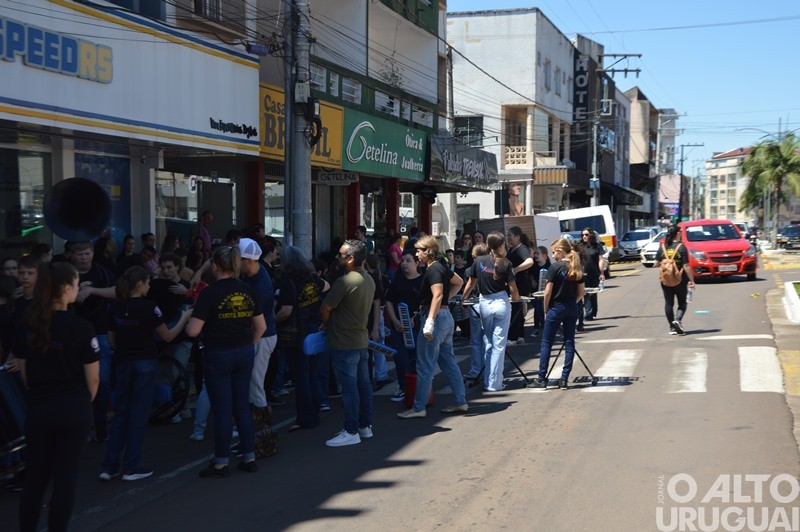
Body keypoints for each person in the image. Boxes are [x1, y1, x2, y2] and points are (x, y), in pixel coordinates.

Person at [16, 262, 100, 532]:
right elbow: (94, 380)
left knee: (36, 479)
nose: (78, 289)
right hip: (73, 407)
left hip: (39, 407)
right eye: (76, 284)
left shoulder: (29, 323)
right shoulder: (81, 327)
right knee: (65, 479)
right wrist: (80, 403)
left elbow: (25, 375)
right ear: (66, 289)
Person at [99, 266, 192, 482]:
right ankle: (131, 466)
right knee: (139, 414)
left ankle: (110, 465)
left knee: (122, 413)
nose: (150, 285)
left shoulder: (116, 308)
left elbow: (112, 340)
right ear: (140, 284)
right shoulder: (150, 308)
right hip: (145, 362)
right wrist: (184, 317)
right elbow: (167, 336)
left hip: (123, 362)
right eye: (148, 282)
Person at [186, 246, 266, 477]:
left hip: (218, 354)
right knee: (242, 406)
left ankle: (221, 463)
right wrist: (248, 345)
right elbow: (260, 327)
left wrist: (186, 317)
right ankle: (249, 456)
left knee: (222, 410)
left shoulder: (209, 293)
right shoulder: (247, 290)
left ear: (215, 266)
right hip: (243, 352)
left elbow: (193, 330)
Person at [397, 236, 467, 418]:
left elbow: (437, 295)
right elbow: (458, 283)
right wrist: (444, 303)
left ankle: (418, 407)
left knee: (425, 366)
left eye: (419, 251)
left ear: (427, 252)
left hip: (435, 319)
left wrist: (430, 320)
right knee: (449, 362)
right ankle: (460, 401)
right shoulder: (441, 266)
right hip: (444, 318)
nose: (417, 254)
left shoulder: (434, 268)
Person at [319, 239, 375, 447]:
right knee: (364, 385)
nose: (337, 257)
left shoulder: (345, 282)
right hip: (360, 340)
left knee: (350, 388)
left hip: (344, 342)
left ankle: (351, 430)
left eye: (341, 255)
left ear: (351, 259)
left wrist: (325, 324)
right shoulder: (368, 279)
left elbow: (325, 308)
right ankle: (364, 426)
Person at [275, 245, 328, 431]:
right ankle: (314, 412)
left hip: (297, 334)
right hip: (313, 330)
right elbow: (326, 286)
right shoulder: (311, 278)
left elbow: (285, 311)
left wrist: (272, 320)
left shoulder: (288, 283)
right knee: (312, 373)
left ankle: (305, 417)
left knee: (301, 377)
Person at [462, 232, 519, 392]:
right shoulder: (506, 263)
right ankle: (494, 383)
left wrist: (463, 300)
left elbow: (470, 283)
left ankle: (489, 380)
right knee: (499, 345)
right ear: (500, 246)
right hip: (500, 301)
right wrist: (518, 299)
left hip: (484, 302)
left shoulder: (479, 260)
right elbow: (514, 291)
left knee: (488, 343)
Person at [71, 240, 117, 442]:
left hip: (98, 333)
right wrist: (76, 291)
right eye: (79, 254)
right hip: (71, 334)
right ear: (72, 255)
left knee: (102, 381)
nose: (83, 257)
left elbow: (117, 291)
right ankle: (83, 425)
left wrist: (91, 290)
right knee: (76, 382)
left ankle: (100, 424)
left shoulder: (101, 272)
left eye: (87, 253)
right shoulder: (65, 274)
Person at [527, 238, 585, 390]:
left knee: (547, 342)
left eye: (554, 252)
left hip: (556, 308)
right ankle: (564, 379)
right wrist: (572, 302)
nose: (552, 255)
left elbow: (547, 292)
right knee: (569, 342)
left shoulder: (555, 267)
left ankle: (541, 378)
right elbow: (581, 292)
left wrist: (546, 309)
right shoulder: (576, 266)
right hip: (572, 307)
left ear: (560, 251)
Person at [237, 238, 278, 418]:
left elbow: (257, 324)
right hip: (260, 334)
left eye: (238, 259)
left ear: (249, 260)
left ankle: (261, 427)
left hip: (262, 336)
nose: (235, 263)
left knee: (254, 383)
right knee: (252, 382)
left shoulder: (261, 286)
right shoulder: (253, 274)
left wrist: (248, 345)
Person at [383, 250, 422, 403]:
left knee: (417, 358)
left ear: (417, 263)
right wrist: (395, 320)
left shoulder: (423, 281)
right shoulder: (397, 281)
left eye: (408, 260)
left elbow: (428, 304)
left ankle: (419, 388)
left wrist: (416, 318)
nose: (404, 263)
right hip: (398, 328)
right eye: (402, 260)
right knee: (401, 359)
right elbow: (389, 302)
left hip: (417, 328)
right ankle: (403, 387)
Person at [654, 224, 695, 335]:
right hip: (680, 279)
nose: (681, 233)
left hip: (666, 280)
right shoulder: (681, 247)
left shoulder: (663, 247)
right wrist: (692, 280)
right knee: (682, 302)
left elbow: (656, 264)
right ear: (677, 233)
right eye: (680, 231)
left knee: (668, 303)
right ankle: (678, 319)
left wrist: (666, 264)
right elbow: (686, 265)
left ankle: (672, 327)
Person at [461, 243, 488, 380]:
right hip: (490, 302)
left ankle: (476, 369)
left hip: (475, 303)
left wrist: (463, 300)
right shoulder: (492, 267)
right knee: (488, 339)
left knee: (476, 340)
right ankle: (489, 369)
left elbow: (469, 285)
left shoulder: (469, 270)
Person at [506, 227, 534, 345]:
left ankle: (513, 337)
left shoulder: (521, 248)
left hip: (520, 282)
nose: (508, 238)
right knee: (517, 309)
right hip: (516, 282)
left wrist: (516, 269)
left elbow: (529, 261)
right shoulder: (513, 249)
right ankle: (519, 335)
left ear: (517, 236)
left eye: (510, 235)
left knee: (515, 308)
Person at [579, 228, 605, 328]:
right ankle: (588, 313)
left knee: (593, 293)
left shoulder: (597, 246)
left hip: (594, 274)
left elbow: (600, 260)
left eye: (586, 234)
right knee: (586, 294)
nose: (584, 236)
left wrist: (602, 273)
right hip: (583, 274)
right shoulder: (580, 247)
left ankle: (593, 312)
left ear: (591, 235)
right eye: (582, 235)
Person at [530, 246, 551, 338]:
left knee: (548, 309)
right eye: (535, 253)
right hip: (536, 291)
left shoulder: (549, 266)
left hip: (547, 291)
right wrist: (532, 283)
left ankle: (549, 327)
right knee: (538, 309)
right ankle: (536, 328)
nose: (535, 255)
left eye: (538, 253)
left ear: (544, 256)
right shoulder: (533, 266)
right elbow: (530, 277)